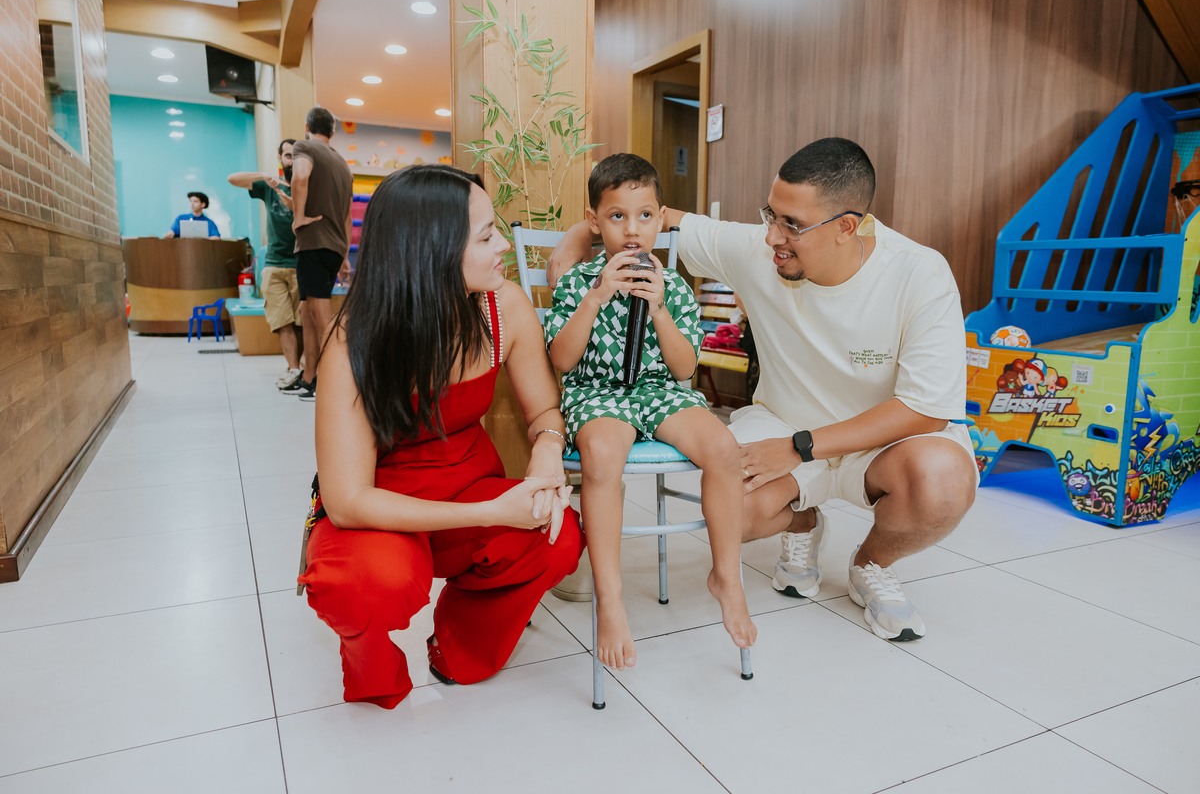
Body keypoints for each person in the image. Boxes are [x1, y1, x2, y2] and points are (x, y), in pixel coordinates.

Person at [549, 138, 978, 642]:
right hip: (782, 422)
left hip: (874, 445)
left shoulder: (920, 273)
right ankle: (802, 525)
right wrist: (576, 242)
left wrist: (799, 448)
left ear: (847, 226)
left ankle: (872, 563)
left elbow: (926, 410)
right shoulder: (760, 247)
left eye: (791, 224)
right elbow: (654, 216)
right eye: (770, 214)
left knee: (943, 481)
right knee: (734, 511)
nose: (772, 236)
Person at [298, 164, 583, 709]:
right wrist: (495, 512)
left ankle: (459, 645)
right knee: (362, 583)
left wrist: (546, 458)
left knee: (557, 535)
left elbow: (546, 408)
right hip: (379, 507)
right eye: (485, 236)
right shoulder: (352, 343)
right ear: (431, 252)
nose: (503, 244)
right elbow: (349, 500)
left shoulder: (504, 309)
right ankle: (374, 668)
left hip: (468, 483)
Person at [544, 154, 755, 671]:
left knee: (723, 448)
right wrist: (596, 298)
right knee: (599, 456)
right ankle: (610, 598)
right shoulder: (577, 283)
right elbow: (562, 360)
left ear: (660, 220)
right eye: (617, 216)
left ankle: (726, 574)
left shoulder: (676, 287)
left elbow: (684, 370)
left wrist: (659, 307)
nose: (632, 230)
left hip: (659, 390)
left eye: (644, 216)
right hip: (597, 393)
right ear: (595, 222)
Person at [227, 139, 305, 389]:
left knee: (302, 323)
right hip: (273, 263)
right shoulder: (270, 186)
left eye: (295, 155)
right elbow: (233, 178)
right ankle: (294, 369)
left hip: (303, 262)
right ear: (280, 158)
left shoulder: (307, 187)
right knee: (282, 320)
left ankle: (302, 369)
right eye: (287, 155)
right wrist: (262, 175)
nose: (290, 160)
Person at [290, 106, 353, 402]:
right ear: (333, 131)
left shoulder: (305, 147)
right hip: (333, 247)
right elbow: (348, 216)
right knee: (308, 311)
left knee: (321, 316)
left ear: (307, 126)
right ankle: (309, 376)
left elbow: (300, 176)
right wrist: (343, 256)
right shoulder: (342, 163)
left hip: (314, 241)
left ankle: (338, 380)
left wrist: (298, 217)